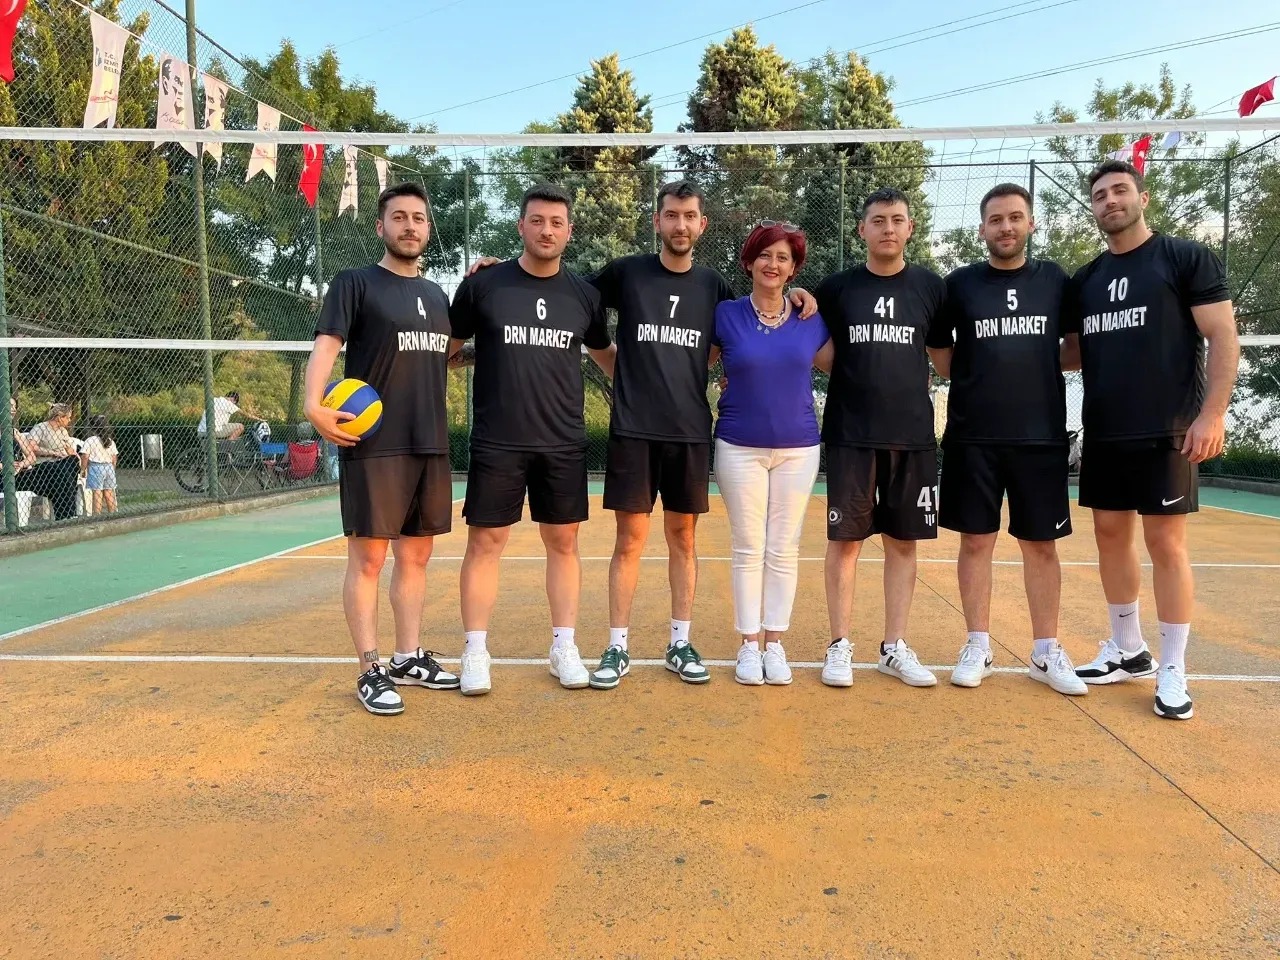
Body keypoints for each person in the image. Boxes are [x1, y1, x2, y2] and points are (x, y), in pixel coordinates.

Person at [465, 180, 818, 690]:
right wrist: (500, 270)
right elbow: (557, 285)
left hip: (689, 431)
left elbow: (758, 312)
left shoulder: (714, 287)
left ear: (702, 225)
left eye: (689, 216)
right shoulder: (626, 273)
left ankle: (680, 642)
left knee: (683, 539)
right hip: (633, 430)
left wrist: (799, 294)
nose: (680, 224)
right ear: (657, 221)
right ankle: (618, 645)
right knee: (629, 540)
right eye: (671, 215)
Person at [1063, 159, 1239, 720]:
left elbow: (1222, 335)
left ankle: (1173, 667)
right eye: (1100, 195)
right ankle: (1128, 650)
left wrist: (1213, 414)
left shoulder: (1184, 258)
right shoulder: (1086, 280)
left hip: (1168, 430)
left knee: (1166, 543)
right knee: (1110, 536)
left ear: (1142, 197)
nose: (1110, 201)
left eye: (1120, 190)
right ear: (1093, 209)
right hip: (1106, 430)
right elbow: (1070, 353)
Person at [448, 183, 617, 695]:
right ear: (521, 225)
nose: (547, 230)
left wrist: (667, 379)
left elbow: (609, 360)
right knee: (486, 543)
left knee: (563, 543)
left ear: (569, 231)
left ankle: (564, 646)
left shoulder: (585, 296)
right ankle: (475, 651)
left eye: (556, 223)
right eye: (537, 220)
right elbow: (445, 350)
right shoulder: (483, 285)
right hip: (498, 439)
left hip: (562, 441)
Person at [304, 181, 461, 717]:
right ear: (381, 226)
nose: (409, 226)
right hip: (375, 444)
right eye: (399, 217)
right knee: (369, 558)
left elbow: (444, 356)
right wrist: (313, 404)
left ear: (428, 228)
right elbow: (327, 345)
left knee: (416, 556)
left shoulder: (437, 296)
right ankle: (369, 667)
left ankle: (407, 657)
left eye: (418, 218)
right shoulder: (355, 283)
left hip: (429, 442)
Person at [925, 183, 1089, 696]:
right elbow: (941, 354)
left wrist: (1034, 361)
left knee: (1040, 544)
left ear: (1031, 224)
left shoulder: (1055, 281)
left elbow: (1074, 347)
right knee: (976, 541)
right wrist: (980, 370)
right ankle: (978, 643)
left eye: (1015, 217)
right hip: (973, 436)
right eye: (996, 219)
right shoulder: (958, 285)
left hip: (1039, 437)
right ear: (982, 229)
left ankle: (1045, 650)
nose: (1006, 227)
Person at [815, 187, 946, 690]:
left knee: (903, 544)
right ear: (862, 230)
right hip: (851, 435)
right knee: (845, 543)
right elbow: (817, 349)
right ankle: (839, 644)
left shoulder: (931, 288)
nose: (888, 228)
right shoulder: (836, 288)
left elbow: (943, 359)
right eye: (878, 220)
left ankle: (894, 646)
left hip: (911, 437)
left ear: (910, 228)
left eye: (896, 220)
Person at [715, 221, 832, 685]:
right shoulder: (725, 314)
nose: (773, 264)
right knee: (748, 547)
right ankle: (749, 645)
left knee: (784, 548)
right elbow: (696, 361)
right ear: (749, 262)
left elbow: (843, 364)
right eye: (765, 255)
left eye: (784, 257)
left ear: (793, 269)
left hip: (799, 447)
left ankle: (775, 644)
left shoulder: (810, 318)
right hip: (738, 445)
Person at [24, 402, 82, 521]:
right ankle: (68, 515)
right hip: (45, 466)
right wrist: (53, 453)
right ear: (60, 417)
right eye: (68, 417)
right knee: (63, 473)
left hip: (62, 466)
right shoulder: (41, 428)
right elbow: (31, 447)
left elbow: (70, 450)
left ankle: (68, 515)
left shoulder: (63, 431)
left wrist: (76, 456)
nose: (69, 420)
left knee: (72, 461)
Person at [82, 414, 120, 515]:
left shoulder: (90, 440)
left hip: (95, 467)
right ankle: (112, 513)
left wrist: (83, 469)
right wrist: (113, 468)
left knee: (97, 492)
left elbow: (85, 456)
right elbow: (114, 457)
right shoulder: (110, 440)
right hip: (109, 467)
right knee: (109, 491)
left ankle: (97, 514)